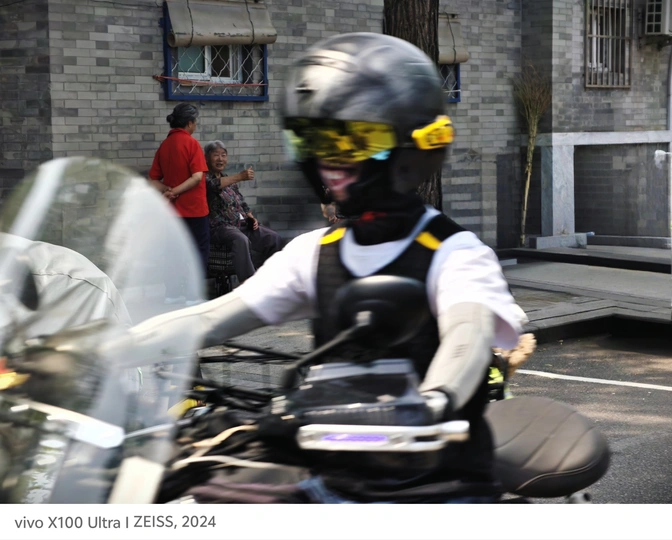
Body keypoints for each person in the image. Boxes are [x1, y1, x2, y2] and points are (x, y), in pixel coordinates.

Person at [128, 33, 523, 502]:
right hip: (336, 477)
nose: (331, 159)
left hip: (437, 487)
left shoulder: (456, 253)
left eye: (352, 140)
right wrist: (102, 349)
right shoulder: (316, 251)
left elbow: (467, 335)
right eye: (314, 140)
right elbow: (212, 317)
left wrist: (437, 397)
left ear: (412, 142)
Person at [149, 103, 210, 304]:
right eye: (195, 122)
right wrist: (175, 191)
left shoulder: (165, 145)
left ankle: (172, 294)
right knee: (198, 252)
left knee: (173, 252)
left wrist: (168, 190)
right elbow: (197, 177)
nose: (195, 125)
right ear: (190, 123)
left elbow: (153, 181)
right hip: (195, 209)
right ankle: (193, 296)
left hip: (172, 212)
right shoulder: (192, 144)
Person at [203, 140, 282, 284]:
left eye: (223, 155)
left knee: (272, 238)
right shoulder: (204, 178)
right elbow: (213, 186)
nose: (220, 159)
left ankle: (270, 281)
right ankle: (249, 285)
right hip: (220, 227)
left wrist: (250, 216)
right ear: (206, 158)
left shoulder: (227, 179)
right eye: (216, 155)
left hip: (240, 224)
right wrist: (240, 177)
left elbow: (241, 202)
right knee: (240, 240)